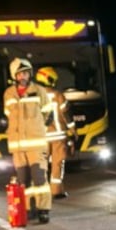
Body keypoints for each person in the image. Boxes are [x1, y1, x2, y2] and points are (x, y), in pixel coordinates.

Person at [3, 58, 52, 223]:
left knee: (39, 178)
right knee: (23, 180)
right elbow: (9, 115)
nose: (23, 76)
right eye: (20, 73)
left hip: (35, 144)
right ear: (15, 76)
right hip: (17, 146)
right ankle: (28, 209)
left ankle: (43, 209)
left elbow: (47, 114)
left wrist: (35, 127)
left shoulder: (39, 91)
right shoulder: (9, 93)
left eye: (26, 72)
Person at [36, 66, 77, 199]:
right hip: (58, 136)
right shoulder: (58, 95)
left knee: (41, 164)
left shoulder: (34, 96)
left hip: (41, 137)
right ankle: (56, 191)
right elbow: (67, 115)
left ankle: (41, 191)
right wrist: (73, 130)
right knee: (57, 163)